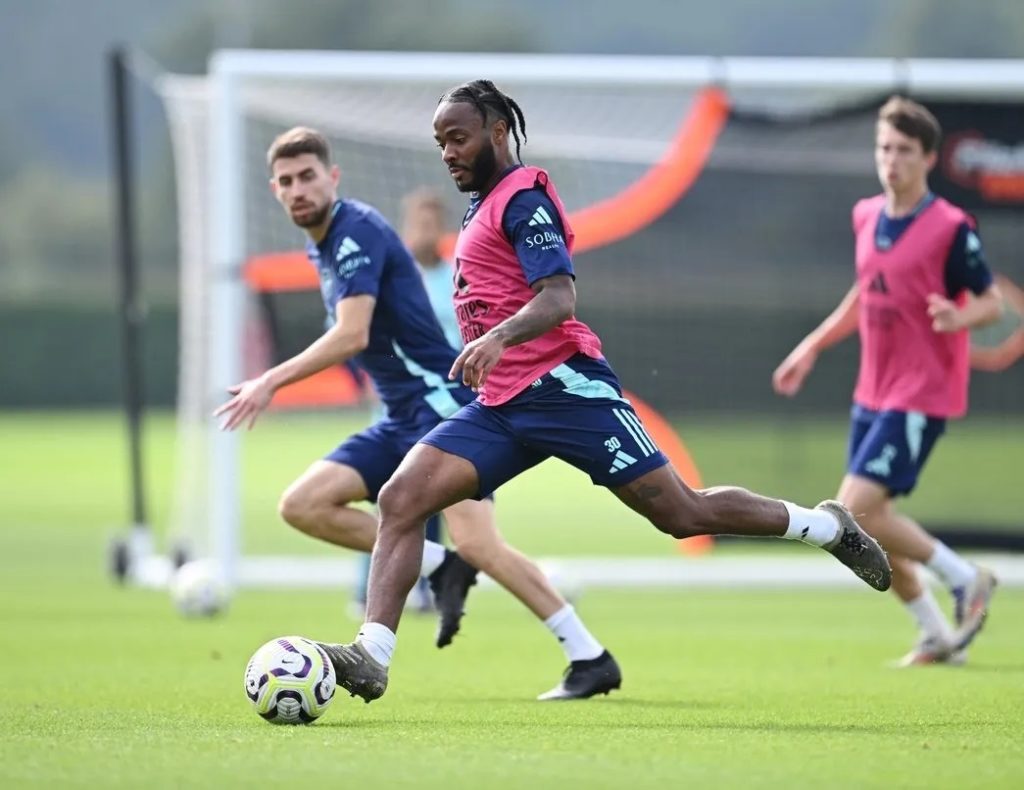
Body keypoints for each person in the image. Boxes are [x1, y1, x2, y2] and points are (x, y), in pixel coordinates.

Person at [316, 79, 892, 705]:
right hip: (503, 406)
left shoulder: (524, 198)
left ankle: (824, 528)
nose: (448, 152)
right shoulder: (480, 203)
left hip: (568, 391)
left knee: (681, 513)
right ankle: (372, 655)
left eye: (458, 137)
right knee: (402, 498)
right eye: (440, 142)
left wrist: (497, 338)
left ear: (498, 133)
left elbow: (560, 297)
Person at [216, 126, 618, 700]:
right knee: (303, 505)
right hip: (398, 414)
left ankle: (589, 655)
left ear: (332, 178)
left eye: (308, 176)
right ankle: (441, 567)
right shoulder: (322, 243)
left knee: (481, 544)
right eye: (285, 181)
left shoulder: (355, 230)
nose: (297, 188)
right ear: (274, 191)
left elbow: (352, 335)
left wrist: (269, 381)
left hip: (437, 404)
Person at [772, 96, 1002, 667]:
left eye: (903, 150)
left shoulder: (950, 227)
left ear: (928, 158)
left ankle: (963, 578)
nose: (890, 160)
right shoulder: (866, 216)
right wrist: (812, 346)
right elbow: (864, 294)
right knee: (865, 524)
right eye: (883, 148)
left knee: (852, 511)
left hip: (922, 391)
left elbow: (993, 303)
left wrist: (959, 317)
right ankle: (934, 635)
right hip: (872, 392)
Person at [351, 188, 456, 615]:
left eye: (432, 224)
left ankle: (431, 585)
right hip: (402, 403)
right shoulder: (392, 279)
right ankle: (366, 590)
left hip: (451, 405)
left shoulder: (457, 278)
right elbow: (356, 330)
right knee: (391, 496)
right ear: (406, 229)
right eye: (418, 224)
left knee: (442, 497)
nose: (424, 232)